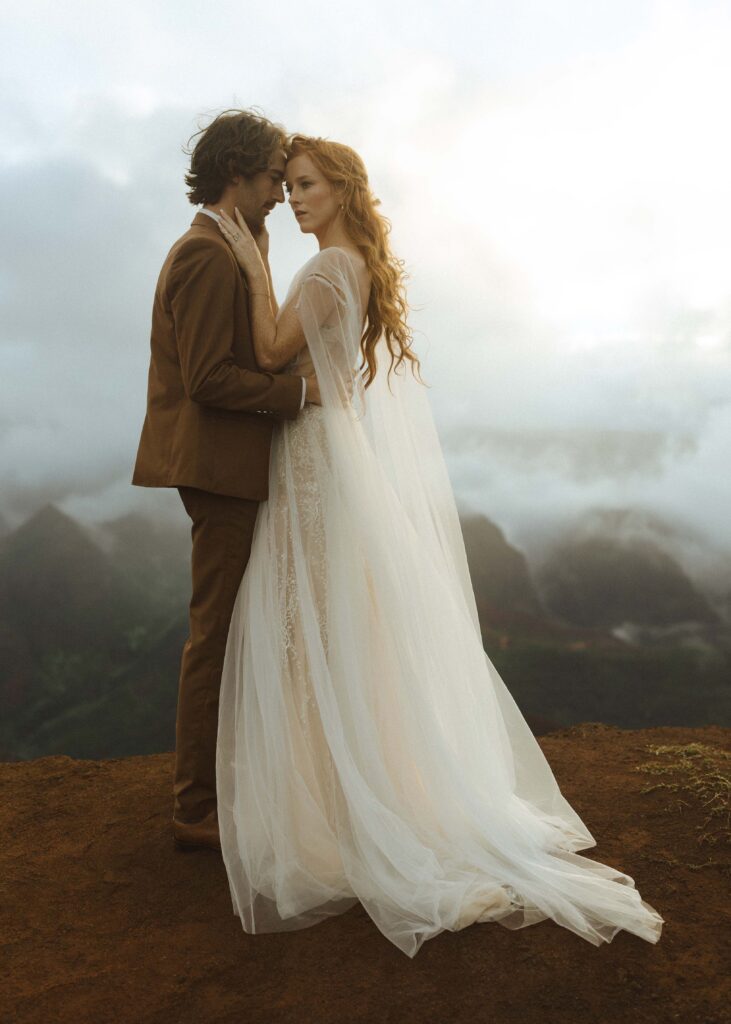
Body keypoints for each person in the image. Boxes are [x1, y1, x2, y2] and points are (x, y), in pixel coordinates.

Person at [213, 133, 665, 958]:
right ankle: (353, 798)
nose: (296, 198)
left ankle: (340, 813)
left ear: (344, 189)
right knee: (338, 629)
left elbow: (270, 352)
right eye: (290, 185)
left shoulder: (322, 269)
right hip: (332, 456)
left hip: (313, 462)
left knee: (307, 627)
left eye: (307, 184)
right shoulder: (355, 267)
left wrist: (251, 266)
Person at [131, 110, 322, 850]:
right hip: (220, 467)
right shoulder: (208, 255)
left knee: (234, 625)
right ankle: (195, 808)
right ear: (237, 171)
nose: (281, 192)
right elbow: (210, 379)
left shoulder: (235, 244)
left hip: (231, 462)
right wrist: (302, 397)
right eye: (275, 176)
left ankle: (220, 786)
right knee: (215, 631)